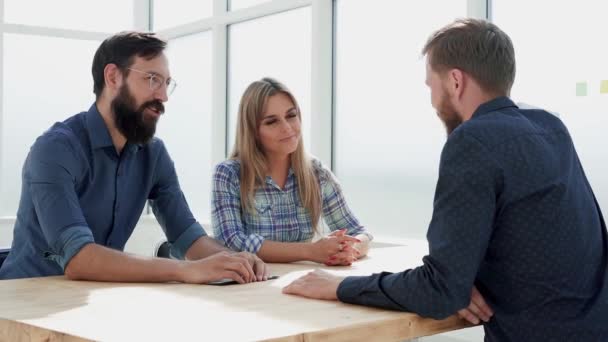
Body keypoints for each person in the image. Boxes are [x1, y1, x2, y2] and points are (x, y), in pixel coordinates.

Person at [283, 19, 608, 341]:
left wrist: (338, 287)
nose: (431, 99)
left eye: (430, 85)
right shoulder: (551, 127)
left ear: (455, 81)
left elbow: (439, 292)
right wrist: (461, 279)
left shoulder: (472, 142)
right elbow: (541, 241)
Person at [0, 31, 268, 284]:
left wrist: (234, 261)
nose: (163, 96)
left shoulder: (154, 154)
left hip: (90, 300)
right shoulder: (55, 149)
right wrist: (186, 270)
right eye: (152, 79)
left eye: (166, 83)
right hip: (24, 304)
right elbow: (78, 258)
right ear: (113, 77)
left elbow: (187, 236)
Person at [212, 78, 372, 266]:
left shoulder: (316, 172)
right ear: (253, 131)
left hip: (301, 283)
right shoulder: (229, 174)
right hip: (251, 286)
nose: (287, 128)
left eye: (291, 115)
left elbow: (359, 233)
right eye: (272, 122)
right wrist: (310, 251)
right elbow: (232, 241)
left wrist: (348, 250)